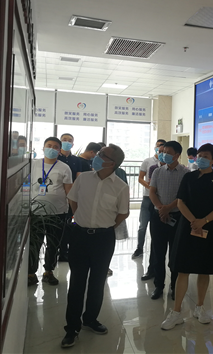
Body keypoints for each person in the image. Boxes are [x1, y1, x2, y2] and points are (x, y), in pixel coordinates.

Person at [61, 144, 130, 348]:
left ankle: (90, 319)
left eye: (102, 154)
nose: (97, 156)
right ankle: (72, 328)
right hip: (80, 236)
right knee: (77, 282)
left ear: (112, 163)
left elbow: (123, 213)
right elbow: (73, 201)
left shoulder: (120, 186)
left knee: (97, 282)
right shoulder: (83, 178)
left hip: (103, 239)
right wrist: (82, 219)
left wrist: (105, 227)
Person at [161, 143, 213, 330]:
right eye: (200, 155)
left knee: (204, 268)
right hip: (188, 226)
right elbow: (181, 202)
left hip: (209, 227)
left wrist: (203, 221)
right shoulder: (188, 177)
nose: (201, 158)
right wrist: (194, 221)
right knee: (183, 268)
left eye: (206, 156)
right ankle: (176, 312)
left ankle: (200, 307)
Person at [28, 137, 72, 286]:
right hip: (36, 211)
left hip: (58, 212)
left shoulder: (64, 168)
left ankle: (49, 271)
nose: (51, 149)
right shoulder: (33, 164)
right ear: (43, 148)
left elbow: (69, 190)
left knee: (53, 244)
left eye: (55, 147)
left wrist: (73, 210)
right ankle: (31, 273)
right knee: (35, 243)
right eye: (49, 146)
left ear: (59, 151)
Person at [149, 141, 189, 300]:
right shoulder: (157, 171)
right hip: (158, 216)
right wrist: (161, 209)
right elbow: (152, 192)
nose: (163, 154)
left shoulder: (185, 173)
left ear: (177, 155)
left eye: (167, 152)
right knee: (158, 252)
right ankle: (159, 285)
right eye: (162, 151)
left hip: (177, 217)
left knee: (176, 253)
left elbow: (183, 196)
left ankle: (174, 286)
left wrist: (168, 208)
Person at [132, 139, 165, 262]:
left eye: (162, 148)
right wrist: (151, 188)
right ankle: (139, 248)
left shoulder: (168, 164)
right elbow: (140, 178)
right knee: (143, 225)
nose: (160, 150)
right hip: (148, 197)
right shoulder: (148, 162)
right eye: (158, 147)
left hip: (161, 199)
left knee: (157, 226)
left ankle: (155, 251)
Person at [57, 133, 84, 262]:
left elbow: (78, 177)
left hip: (71, 195)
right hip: (57, 195)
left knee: (67, 224)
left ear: (73, 144)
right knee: (58, 225)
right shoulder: (56, 158)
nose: (67, 142)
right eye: (64, 140)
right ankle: (57, 250)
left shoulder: (76, 160)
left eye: (69, 140)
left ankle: (65, 251)